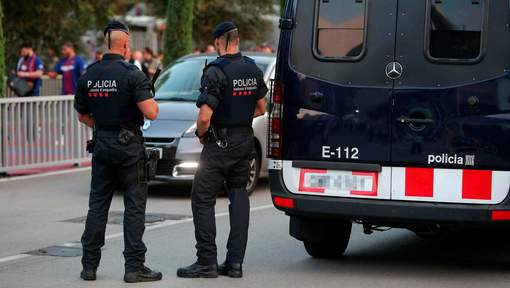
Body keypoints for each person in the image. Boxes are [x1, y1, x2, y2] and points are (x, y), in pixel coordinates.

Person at [177, 21, 268, 279]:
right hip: (245, 141)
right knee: (238, 196)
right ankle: (235, 263)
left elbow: (204, 117)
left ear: (219, 41)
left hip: (220, 144)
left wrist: (202, 135)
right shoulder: (252, 67)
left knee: (202, 198)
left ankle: (206, 261)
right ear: (237, 40)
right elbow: (261, 108)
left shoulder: (215, 71)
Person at [74, 20, 162, 283]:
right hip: (129, 147)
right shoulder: (132, 74)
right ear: (125, 46)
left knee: (97, 205)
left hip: (102, 143)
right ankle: (134, 267)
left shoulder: (89, 74)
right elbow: (152, 113)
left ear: (105, 44)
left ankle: (89, 266)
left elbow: (82, 115)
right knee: (134, 206)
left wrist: (102, 125)